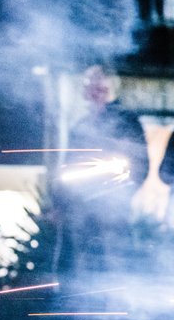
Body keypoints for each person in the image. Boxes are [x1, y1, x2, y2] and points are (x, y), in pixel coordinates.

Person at [57, 65, 150, 275]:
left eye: (95, 81)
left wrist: (119, 195)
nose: (90, 87)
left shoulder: (126, 121)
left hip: (112, 211)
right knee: (81, 265)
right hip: (80, 209)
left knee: (113, 264)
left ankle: (115, 305)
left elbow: (140, 164)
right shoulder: (81, 126)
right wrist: (62, 202)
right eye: (88, 83)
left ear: (108, 85)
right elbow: (68, 167)